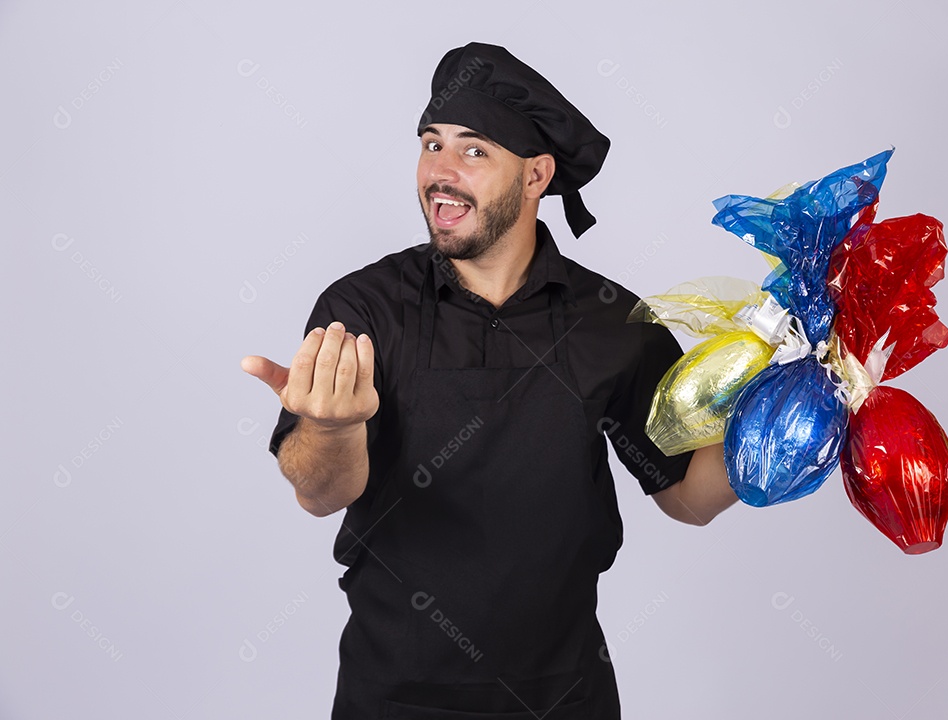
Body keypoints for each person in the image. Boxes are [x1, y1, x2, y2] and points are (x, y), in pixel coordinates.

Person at [242, 42, 737, 719]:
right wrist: (330, 427)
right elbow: (321, 493)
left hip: (566, 698)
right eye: (430, 143)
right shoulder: (363, 310)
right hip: (393, 698)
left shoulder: (612, 323)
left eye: (474, 151)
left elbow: (688, 497)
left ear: (536, 176)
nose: (439, 172)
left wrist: (776, 427)